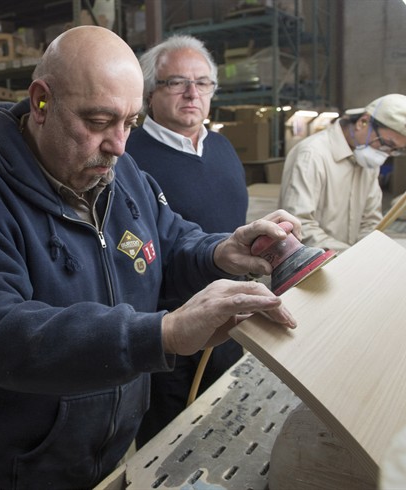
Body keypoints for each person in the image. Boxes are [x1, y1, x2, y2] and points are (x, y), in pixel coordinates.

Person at [0, 25, 299, 490]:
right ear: (41, 102)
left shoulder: (122, 177)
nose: (119, 145)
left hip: (109, 447)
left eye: (130, 123)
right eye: (99, 122)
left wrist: (220, 251)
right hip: (21, 467)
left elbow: (167, 240)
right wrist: (159, 334)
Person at [125, 35, 249, 448]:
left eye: (203, 82)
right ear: (150, 93)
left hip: (228, 328)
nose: (192, 93)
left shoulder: (223, 148)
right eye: (176, 82)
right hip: (167, 339)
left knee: (227, 431)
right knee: (169, 447)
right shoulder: (127, 159)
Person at [279, 93, 406, 251]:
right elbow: (299, 225)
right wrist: (349, 256)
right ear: (363, 122)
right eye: (386, 144)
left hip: (346, 263)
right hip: (311, 267)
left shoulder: (368, 160)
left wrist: (370, 253)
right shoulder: (313, 154)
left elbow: (370, 222)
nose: (386, 153)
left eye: (395, 149)